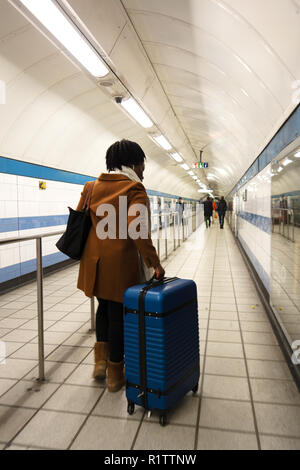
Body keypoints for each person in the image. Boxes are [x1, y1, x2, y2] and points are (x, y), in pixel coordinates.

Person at [76, 139, 165, 392]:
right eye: (142, 164)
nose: (144, 170)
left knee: (103, 309)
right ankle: (116, 374)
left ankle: (100, 363)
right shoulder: (135, 189)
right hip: (120, 265)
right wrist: (154, 262)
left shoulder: (91, 187)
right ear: (133, 163)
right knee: (118, 316)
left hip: (95, 263)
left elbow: (82, 220)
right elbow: (138, 230)